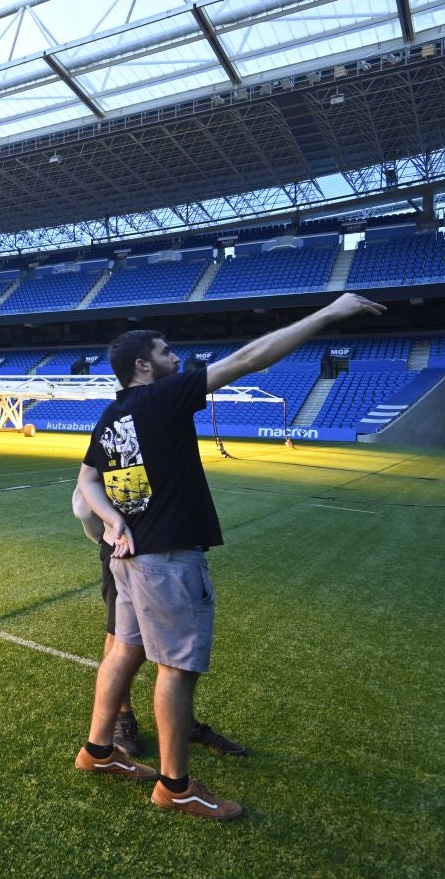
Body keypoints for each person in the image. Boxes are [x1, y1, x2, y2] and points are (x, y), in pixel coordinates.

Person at [72, 293, 385, 820]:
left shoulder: (113, 415)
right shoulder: (162, 397)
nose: (177, 357)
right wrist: (331, 313)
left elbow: (86, 480)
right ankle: (176, 786)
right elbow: (248, 359)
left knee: (123, 652)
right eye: (167, 351)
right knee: (175, 667)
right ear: (143, 366)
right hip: (166, 560)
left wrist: (111, 519)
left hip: (125, 557)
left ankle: (98, 753)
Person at [69, 490, 249, 759]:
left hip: (157, 545)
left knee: (152, 648)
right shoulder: (120, 450)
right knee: (124, 640)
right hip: (129, 547)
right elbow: (84, 500)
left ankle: (180, 722)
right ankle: (123, 720)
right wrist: (108, 536)